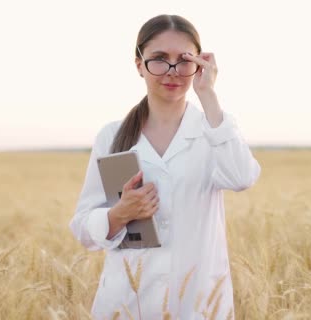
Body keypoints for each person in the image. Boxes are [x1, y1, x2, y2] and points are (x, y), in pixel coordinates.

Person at [70, 14, 261, 319]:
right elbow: (82, 228)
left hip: (198, 303)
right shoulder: (112, 135)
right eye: (159, 59)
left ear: (199, 65)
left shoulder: (214, 128)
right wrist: (119, 214)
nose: (172, 71)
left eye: (184, 60)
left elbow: (241, 177)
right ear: (138, 65)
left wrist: (208, 94)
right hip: (128, 303)